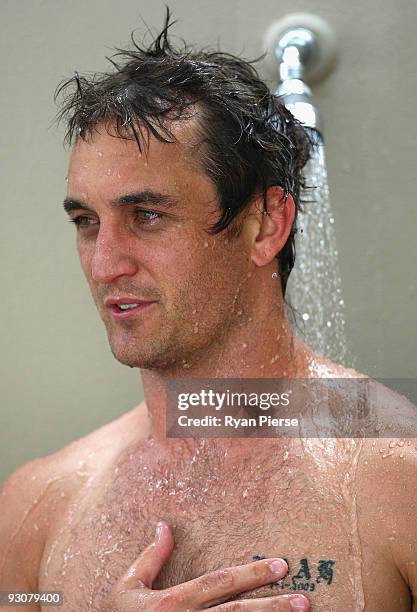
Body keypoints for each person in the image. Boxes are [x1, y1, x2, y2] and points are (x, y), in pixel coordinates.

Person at [1, 12, 417, 612]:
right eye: (86, 222)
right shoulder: (37, 504)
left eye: (146, 215)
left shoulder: (397, 478)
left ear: (264, 224)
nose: (103, 264)